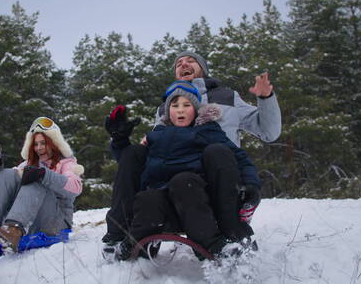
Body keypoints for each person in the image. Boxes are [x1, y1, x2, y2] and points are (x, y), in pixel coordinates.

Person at [103, 51, 280, 248]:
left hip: (219, 184)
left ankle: (231, 233)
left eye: (190, 60)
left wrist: (266, 98)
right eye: (179, 63)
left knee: (216, 151)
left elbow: (268, 132)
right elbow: (150, 157)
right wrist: (120, 140)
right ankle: (123, 236)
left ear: (203, 69)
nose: (183, 64)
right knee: (138, 156)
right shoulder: (164, 110)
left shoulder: (227, 97)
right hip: (173, 188)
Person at [112, 81, 262, 260]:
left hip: (197, 202)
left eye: (186, 105)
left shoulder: (208, 130)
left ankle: (217, 247)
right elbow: (130, 167)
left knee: (184, 180)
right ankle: (134, 248)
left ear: (196, 109)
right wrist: (120, 140)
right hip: (164, 204)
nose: (180, 110)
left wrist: (252, 184)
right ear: (168, 111)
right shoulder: (156, 135)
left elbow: (238, 157)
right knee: (147, 199)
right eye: (174, 106)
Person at [0, 116, 84, 252]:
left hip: (55, 223)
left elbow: (75, 188)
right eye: (35, 144)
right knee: (7, 174)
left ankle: (13, 231)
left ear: (53, 143)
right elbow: (2, 187)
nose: (39, 148)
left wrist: (44, 174)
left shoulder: (66, 163)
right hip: (31, 223)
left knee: (35, 180)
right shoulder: (27, 165)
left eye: (43, 143)